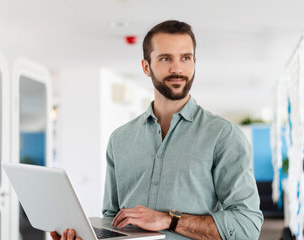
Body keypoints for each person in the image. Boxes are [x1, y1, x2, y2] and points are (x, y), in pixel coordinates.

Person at [51, 20, 263, 240]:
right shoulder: (120, 139)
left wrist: (169, 220)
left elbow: (246, 227)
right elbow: (112, 219)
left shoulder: (223, 135)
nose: (177, 68)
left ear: (194, 63)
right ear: (146, 66)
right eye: (165, 58)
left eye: (185, 58)